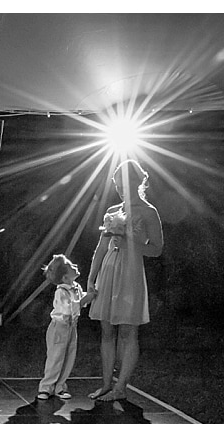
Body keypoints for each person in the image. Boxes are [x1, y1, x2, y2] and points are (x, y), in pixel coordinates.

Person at [86, 158, 164, 401]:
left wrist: (132, 242)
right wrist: (91, 278)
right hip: (109, 270)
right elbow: (101, 247)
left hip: (130, 273)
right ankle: (107, 384)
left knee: (128, 332)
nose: (119, 189)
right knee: (106, 330)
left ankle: (121, 388)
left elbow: (157, 249)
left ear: (134, 183)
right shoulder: (112, 211)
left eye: (122, 185)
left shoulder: (149, 212)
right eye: (117, 185)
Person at [36, 254, 92, 400]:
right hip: (59, 327)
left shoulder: (76, 287)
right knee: (56, 357)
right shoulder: (61, 292)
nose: (75, 266)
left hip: (71, 327)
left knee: (68, 356)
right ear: (65, 278)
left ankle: (60, 386)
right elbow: (69, 308)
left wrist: (89, 296)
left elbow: (81, 301)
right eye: (71, 266)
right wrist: (86, 299)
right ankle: (46, 387)